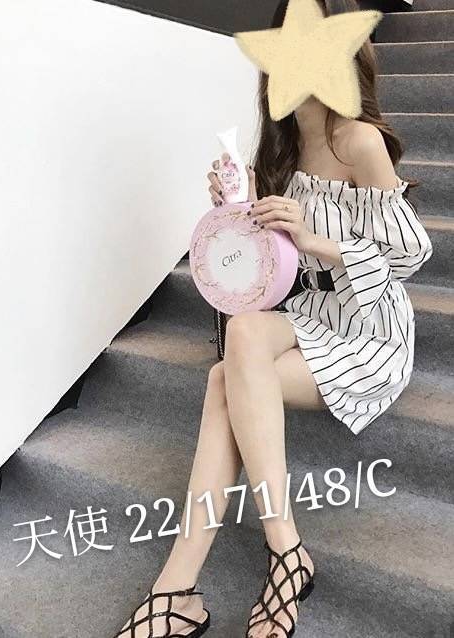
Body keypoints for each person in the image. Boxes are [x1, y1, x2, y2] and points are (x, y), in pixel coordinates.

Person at [113, 0, 433, 636]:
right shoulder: (280, 147)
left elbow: (410, 253)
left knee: (223, 380)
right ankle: (264, 557)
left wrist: (315, 238)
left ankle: (187, 587)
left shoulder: (358, 140)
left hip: (367, 327)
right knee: (237, 345)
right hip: (307, 314)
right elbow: (270, 266)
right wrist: (236, 209)